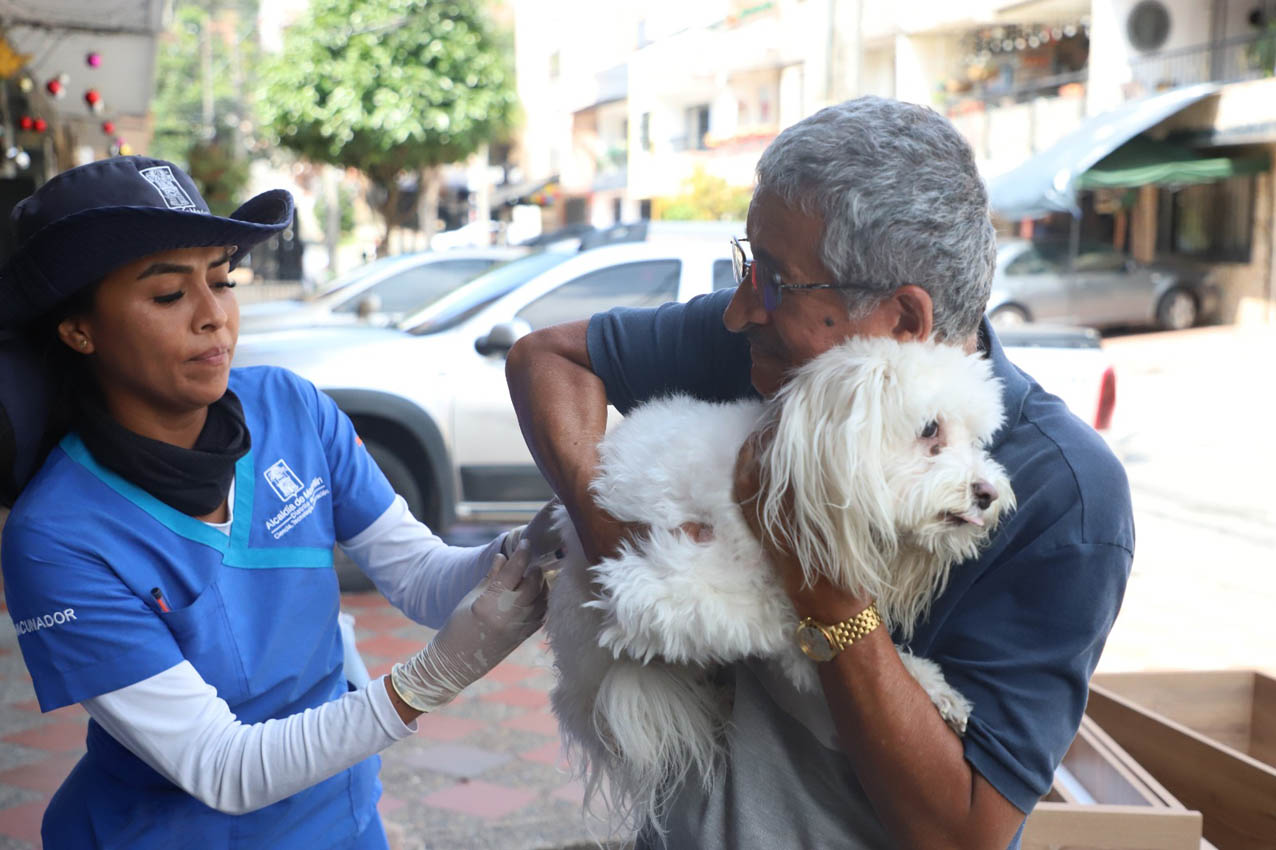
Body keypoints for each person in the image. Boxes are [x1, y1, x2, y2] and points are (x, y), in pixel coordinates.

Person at [506, 97, 1134, 849]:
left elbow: (964, 834)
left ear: (903, 321)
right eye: (748, 266)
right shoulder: (767, 346)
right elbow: (548, 358)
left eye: (774, 279)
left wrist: (817, 580)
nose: (740, 311)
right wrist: (613, 533)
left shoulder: (1065, 496)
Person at [0, 156, 559, 849]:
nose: (214, 316)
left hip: (342, 821)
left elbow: (421, 577)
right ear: (79, 329)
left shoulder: (289, 407)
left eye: (221, 280)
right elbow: (221, 765)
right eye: (168, 295)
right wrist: (428, 679)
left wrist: (536, 543)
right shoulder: (56, 537)